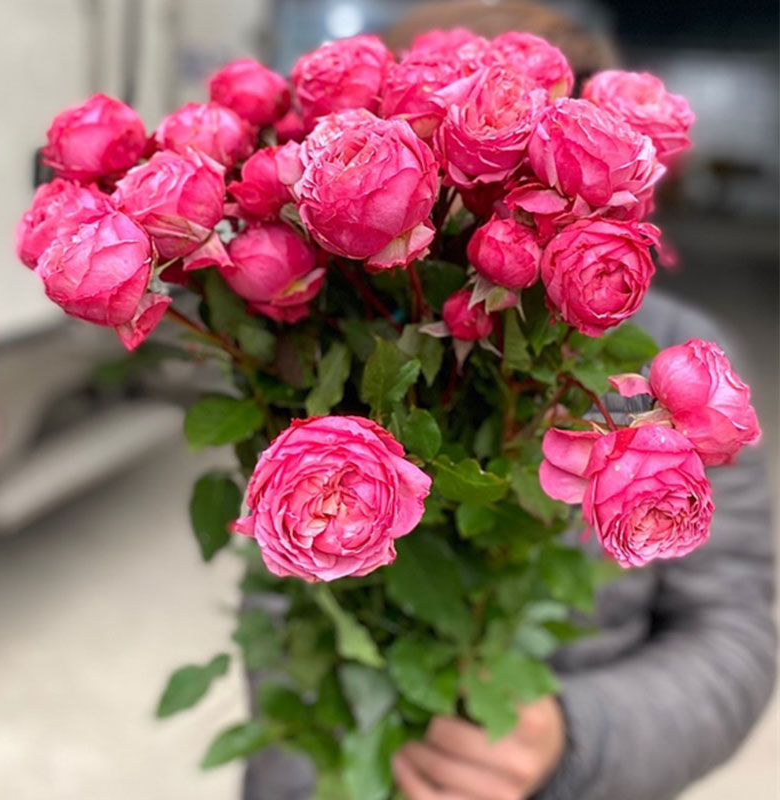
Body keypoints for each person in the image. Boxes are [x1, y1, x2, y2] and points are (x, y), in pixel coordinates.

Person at [245, 4, 777, 798]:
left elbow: (733, 633)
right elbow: (277, 606)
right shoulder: (327, 344)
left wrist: (576, 740)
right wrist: (328, 756)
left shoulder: (669, 361)